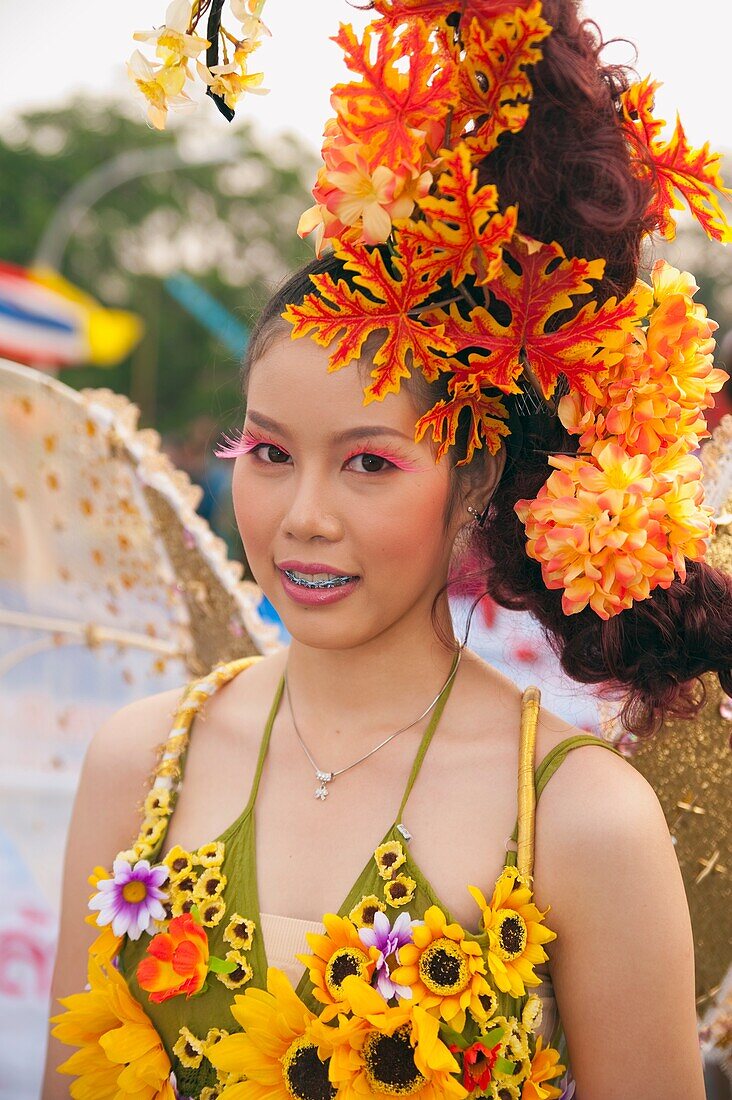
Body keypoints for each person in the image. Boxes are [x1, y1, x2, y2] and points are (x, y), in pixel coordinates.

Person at [42, 1, 731, 1097]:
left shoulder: (581, 814)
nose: (302, 515)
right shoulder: (140, 763)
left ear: (475, 486)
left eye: (369, 463)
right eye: (268, 452)